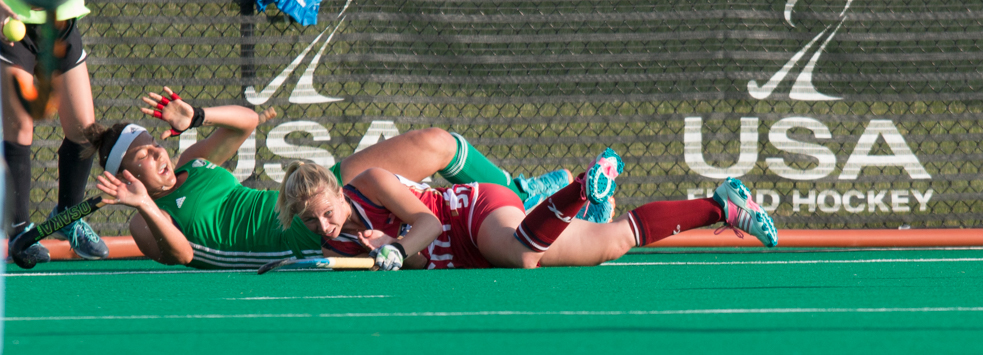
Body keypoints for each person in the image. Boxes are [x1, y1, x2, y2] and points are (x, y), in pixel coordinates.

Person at [88, 87, 574, 269]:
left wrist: (196, 114)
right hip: (312, 234)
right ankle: (542, 210)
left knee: (435, 143)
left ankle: (525, 193)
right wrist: (146, 206)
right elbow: (184, 254)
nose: (158, 152)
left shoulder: (192, 162)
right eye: (144, 157)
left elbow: (247, 122)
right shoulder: (141, 223)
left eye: (154, 144)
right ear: (126, 176)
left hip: (309, 197)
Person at [276, 147, 778, 271]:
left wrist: (396, 249)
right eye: (312, 222)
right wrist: (390, 251)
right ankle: (720, 207)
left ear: (337, 191)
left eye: (326, 211)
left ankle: (581, 189)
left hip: (468, 212)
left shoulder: (368, 182)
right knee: (615, 243)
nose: (324, 225)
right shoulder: (330, 239)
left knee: (522, 256)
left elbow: (427, 223)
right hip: (464, 255)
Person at [1, 0, 105, 262]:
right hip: (10, 22)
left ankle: (68, 217)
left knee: (84, 130)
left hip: (60, 23)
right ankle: (18, 230)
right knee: (21, 127)